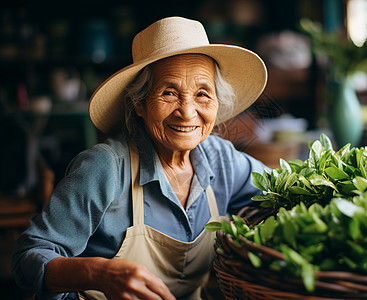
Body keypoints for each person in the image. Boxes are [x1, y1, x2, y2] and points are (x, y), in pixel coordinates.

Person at [11, 16, 268, 300]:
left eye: (202, 94)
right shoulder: (105, 167)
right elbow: (27, 258)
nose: (187, 111)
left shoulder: (222, 160)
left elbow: (279, 194)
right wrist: (101, 274)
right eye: (169, 92)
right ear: (140, 104)